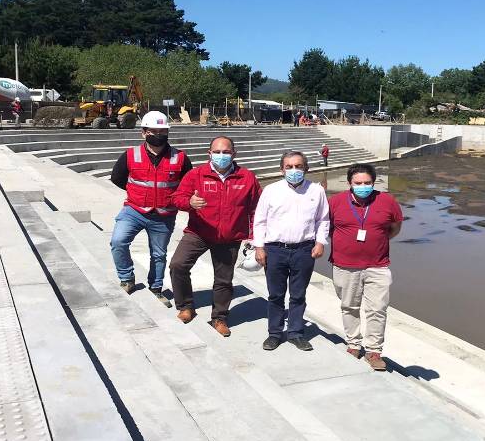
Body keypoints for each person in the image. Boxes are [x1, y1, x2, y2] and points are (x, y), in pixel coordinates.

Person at [169, 136, 261, 337]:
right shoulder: (196, 175)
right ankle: (186, 306)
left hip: (230, 237)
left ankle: (219, 317)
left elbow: (256, 210)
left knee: (224, 280)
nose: (222, 156)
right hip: (199, 232)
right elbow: (177, 198)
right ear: (209, 154)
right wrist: (189, 203)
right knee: (178, 265)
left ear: (234, 154)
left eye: (226, 152)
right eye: (217, 152)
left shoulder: (247, 178)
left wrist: (254, 238)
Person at [110, 111, 193, 302]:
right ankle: (127, 278)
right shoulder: (131, 155)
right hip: (134, 210)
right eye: (153, 131)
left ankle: (156, 287)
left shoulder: (180, 158)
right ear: (143, 133)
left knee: (159, 254)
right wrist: (136, 193)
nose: (158, 135)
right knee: (118, 241)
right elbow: (117, 178)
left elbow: (188, 184)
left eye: (162, 131)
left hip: (164, 214)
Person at [328, 163, 403, 371]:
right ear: (349, 183)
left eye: (367, 183)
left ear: (374, 182)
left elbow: (395, 227)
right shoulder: (335, 202)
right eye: (358, 183)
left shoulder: (387, 201)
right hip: (344, 265)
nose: (363, 186)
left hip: (377, 266)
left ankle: (374, 351)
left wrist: (378, 240)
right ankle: (353, 344)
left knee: (377, 309)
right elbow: (328, 228)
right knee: (349, 306)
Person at [252, 151, 329, 351]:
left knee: (298, 294)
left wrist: (320, 242)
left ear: (306, 168)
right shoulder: (270, 190)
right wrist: (259, 246)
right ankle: (275, 334)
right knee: (276, 295)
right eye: (289, 166)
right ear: (282, 169)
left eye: (298, 166)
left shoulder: (316, 191)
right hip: (275, 250)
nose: (294, 170)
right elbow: (259, 221)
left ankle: (295, 332)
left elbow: (323, 220)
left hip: (304, 250)